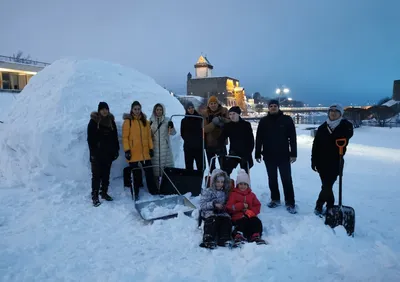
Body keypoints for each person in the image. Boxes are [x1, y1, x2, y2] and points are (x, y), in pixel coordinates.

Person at [255, 99, 298, 214]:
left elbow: (292, 138)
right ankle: (275, 199)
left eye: (275, 106)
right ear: (268, 108)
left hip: (283, 154)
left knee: (286, 179)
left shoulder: (287, 120)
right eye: (271, 106)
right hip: (269, 155)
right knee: (272, 178)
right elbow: (259, 138)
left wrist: (293, 153)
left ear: (278, 107)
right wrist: (257, 153)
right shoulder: (264, 121)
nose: (273, 107)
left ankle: (290, 201)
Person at [311, 103, 354, 216]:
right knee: (326, 186)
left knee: (327, 185)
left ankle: (319, 205)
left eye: (336, 111)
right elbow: (315, 146)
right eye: (331, 111)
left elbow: (347, 135)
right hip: (321, 162)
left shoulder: (346, 126)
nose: (333, 113)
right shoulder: (322, 128)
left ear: (340, 114)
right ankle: (330, 205)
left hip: (336, 161)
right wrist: (313, 161)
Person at [122, 101, 158, 200]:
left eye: (138, 109)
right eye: (135, 109)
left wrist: (151, 148)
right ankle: (135, 192)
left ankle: (153, 191)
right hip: (133, 152)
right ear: (132, 110)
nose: (137, 111)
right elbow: (125, 138)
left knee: (149, 172)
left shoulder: (145, 122)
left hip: (145, 152)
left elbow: (149, 137)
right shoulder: (128, 122)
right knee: (135, 174)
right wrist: (127, 150)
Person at [87, 102, 119, 207]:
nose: (105, 111)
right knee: (96, 176)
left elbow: (115, 137)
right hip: (97, 154)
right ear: (99, 110)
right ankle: (95, 196)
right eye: (102, 109)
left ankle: (104, 193)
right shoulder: (93, 122)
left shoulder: (111, 121)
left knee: (106, 175)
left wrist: (116, 150)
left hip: (108, 153)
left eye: (106, 109)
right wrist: (93, 153)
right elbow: (90, 140)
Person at [226, 169, 266, 245]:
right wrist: (240, 206)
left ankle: (255, 235)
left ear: (248, 185)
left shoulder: (251, 195)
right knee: (241, 223)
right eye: (241, 184)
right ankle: (238, 235)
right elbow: (229, 207)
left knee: (256, 221)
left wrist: (252, 211)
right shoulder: (233, 194)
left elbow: (257, 205)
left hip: (250, 215)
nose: (243, 186)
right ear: (237, 185)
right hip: (238, 217)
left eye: (245, 184)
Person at [199, 169, 232, 249]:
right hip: (210, 212)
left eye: (222, 182)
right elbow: (203, 204)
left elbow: (228, 203)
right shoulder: (208, 191)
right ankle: (208, 239)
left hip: (222, 212)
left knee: (226, 221)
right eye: (218, 182)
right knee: (211, 221)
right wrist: (213, 204)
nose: (220, 184)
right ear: (213, 182)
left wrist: (225, 206)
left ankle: (224, 238)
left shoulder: (225, 192)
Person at [150, 103, 176, 188]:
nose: (159, 111)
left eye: (160, 110)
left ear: (163, 110)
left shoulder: (167, 120)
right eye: (157, 110)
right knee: (156, 171)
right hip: (155, 148)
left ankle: (166, 187)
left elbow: (172, 133)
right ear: (155, 110)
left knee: (166, 170)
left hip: (165, 149)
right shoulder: (151, 121)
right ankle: (157, 188)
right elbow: (148, 135)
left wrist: (171, 127)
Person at [222, 106, 254, 176]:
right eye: (230, 114)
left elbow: (251, 141)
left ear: (238, 114)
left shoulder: (246, 125)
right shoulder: (228, 126)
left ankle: (245, 185)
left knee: (244, 173)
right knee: (226, 170)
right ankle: (227, 184)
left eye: (234, 114)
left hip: (245, 153)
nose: (232, 116)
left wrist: (248, 154)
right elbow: (222, 138)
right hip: (234, 152)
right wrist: (218, 146)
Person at [202, 96, 230, 173]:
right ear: (208, 105)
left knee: (224, 167)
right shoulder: (205, 114)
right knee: (212, 167)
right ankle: (214, 182)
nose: (213, 105)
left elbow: (230, 122)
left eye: (215, 103)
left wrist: (222, 119)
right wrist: (214, 123)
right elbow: (205, 129)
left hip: (221, 143)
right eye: (211, 103)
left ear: (218, 104)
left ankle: (224, 182)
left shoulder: (224, 111)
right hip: (209, 143)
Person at [180, 102, 204, 171]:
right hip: (188, 147)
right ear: (186, 110)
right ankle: (191, 180)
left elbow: (203, 130)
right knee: (189, 166)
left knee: (201, 166)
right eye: (189, 108)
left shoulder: (199, 118)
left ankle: (199, 180)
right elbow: (182, 133)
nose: (191, 109)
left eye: (192, 107)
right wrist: (189, 140)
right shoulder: (184, 121)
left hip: (198, 147)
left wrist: (198, 140)